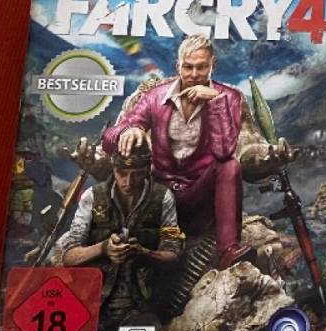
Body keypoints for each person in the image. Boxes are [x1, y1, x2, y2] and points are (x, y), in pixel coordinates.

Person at [104, 35, 292, 271]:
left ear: (213, 65)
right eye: (188, 67)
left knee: (229, 166)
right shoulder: (155, 97)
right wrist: (127, 131)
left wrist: (216, 103)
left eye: (201, 67)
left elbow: (224, 151)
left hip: (200, 199)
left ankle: (228, 251)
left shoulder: (230, 98)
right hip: (157, 197)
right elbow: (108, 140)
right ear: (178, 66)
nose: (194, 74)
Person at [57, 142, 181, 331]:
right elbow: (69, 256)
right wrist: (103, 248)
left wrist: (143, 253)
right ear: (113, 169)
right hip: (93, 308)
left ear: (147, 171)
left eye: (137, 174)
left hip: (138, 310)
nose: (128, 182)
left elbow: (172, 255)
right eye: (122, 173)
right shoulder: (92, 197)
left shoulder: (163, 198)